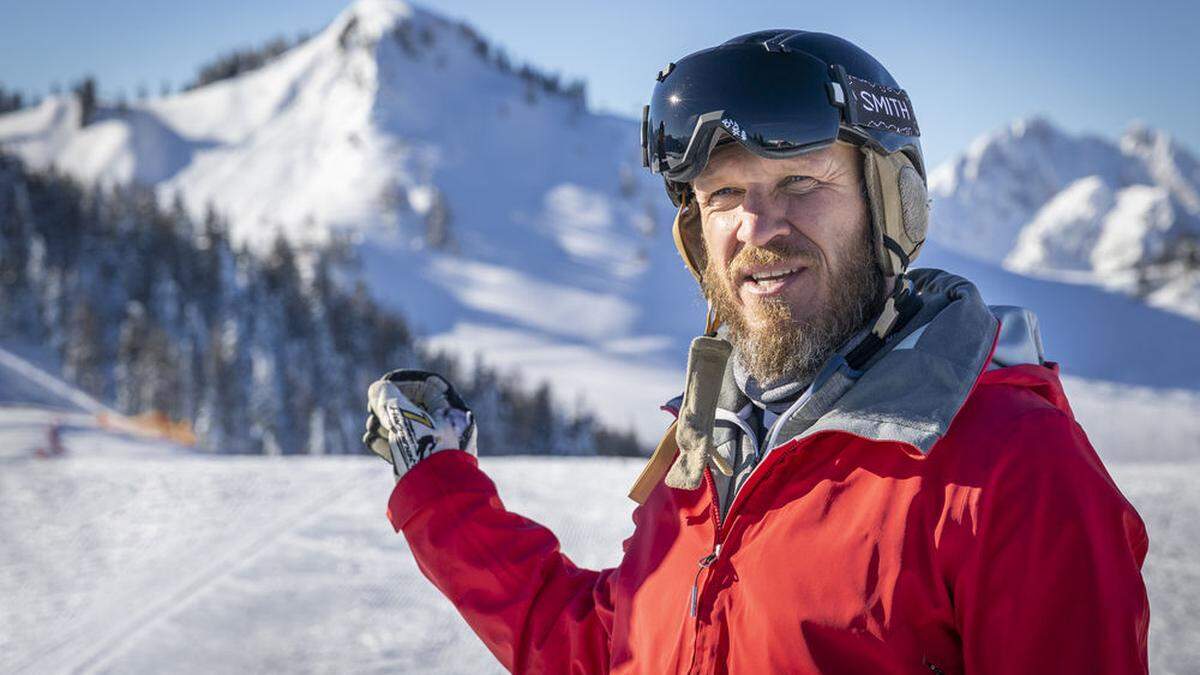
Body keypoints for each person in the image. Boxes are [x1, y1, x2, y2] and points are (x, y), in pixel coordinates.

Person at [363, 30, 1150, 674]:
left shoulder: (1013, 470)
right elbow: (608, 650)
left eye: (802, 184)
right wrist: (441, 494)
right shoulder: (716, 448)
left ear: (892, 206)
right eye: (725, 198)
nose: (758, 229)